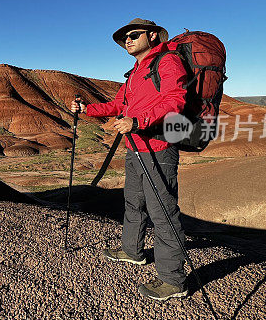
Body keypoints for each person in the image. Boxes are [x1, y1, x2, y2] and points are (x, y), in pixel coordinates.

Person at [70, 18, 189, 301]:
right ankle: (132, 251)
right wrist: (88, 109)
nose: (128, 40)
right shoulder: (135, 72)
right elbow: (118, 105)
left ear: (151, 36)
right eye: (125, 37)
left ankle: (174, 280)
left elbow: (176, 100)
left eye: (134, 35)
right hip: (135, 147)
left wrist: (139, 121)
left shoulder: (167, 62)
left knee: (163, 212)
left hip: (159, 147)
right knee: (133, 201)